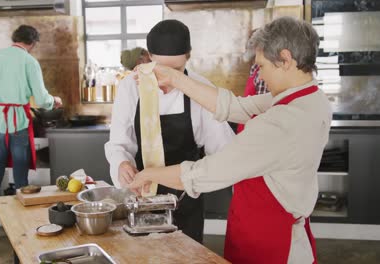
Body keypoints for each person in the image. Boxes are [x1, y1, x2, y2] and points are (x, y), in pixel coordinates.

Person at [129, 16, 331, 264]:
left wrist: (149, 174)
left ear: (286, 59)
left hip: (270, 243)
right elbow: (235, 106)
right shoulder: (309, 98)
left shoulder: (283, 123)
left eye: (262, 67)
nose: (260, 77)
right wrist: (176, 78)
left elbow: (203, 174)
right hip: (275, 228)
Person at [104, 19, 235, 243]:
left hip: (186, 200)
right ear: (149, 58)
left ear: (189, 57)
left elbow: (225, 153)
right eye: (160, 69)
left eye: (176, 70)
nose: (167, 79)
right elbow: (119, 143)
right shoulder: (130, 87)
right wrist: (121, 164)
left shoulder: (202, 90)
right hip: (141, 197)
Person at [0, 25, 62, 242]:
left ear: (14, 38)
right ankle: (21, 230)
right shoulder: (29, 61)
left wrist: (1, 99)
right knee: (21, 179)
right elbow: (42, 99)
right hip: (19, 124)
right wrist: (55, 100)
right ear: (32, 43)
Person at [237, 29, 270, 133]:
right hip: (246, 121)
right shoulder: (254, 68)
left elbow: (262, 109)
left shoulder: (264, 71)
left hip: (255, 127)